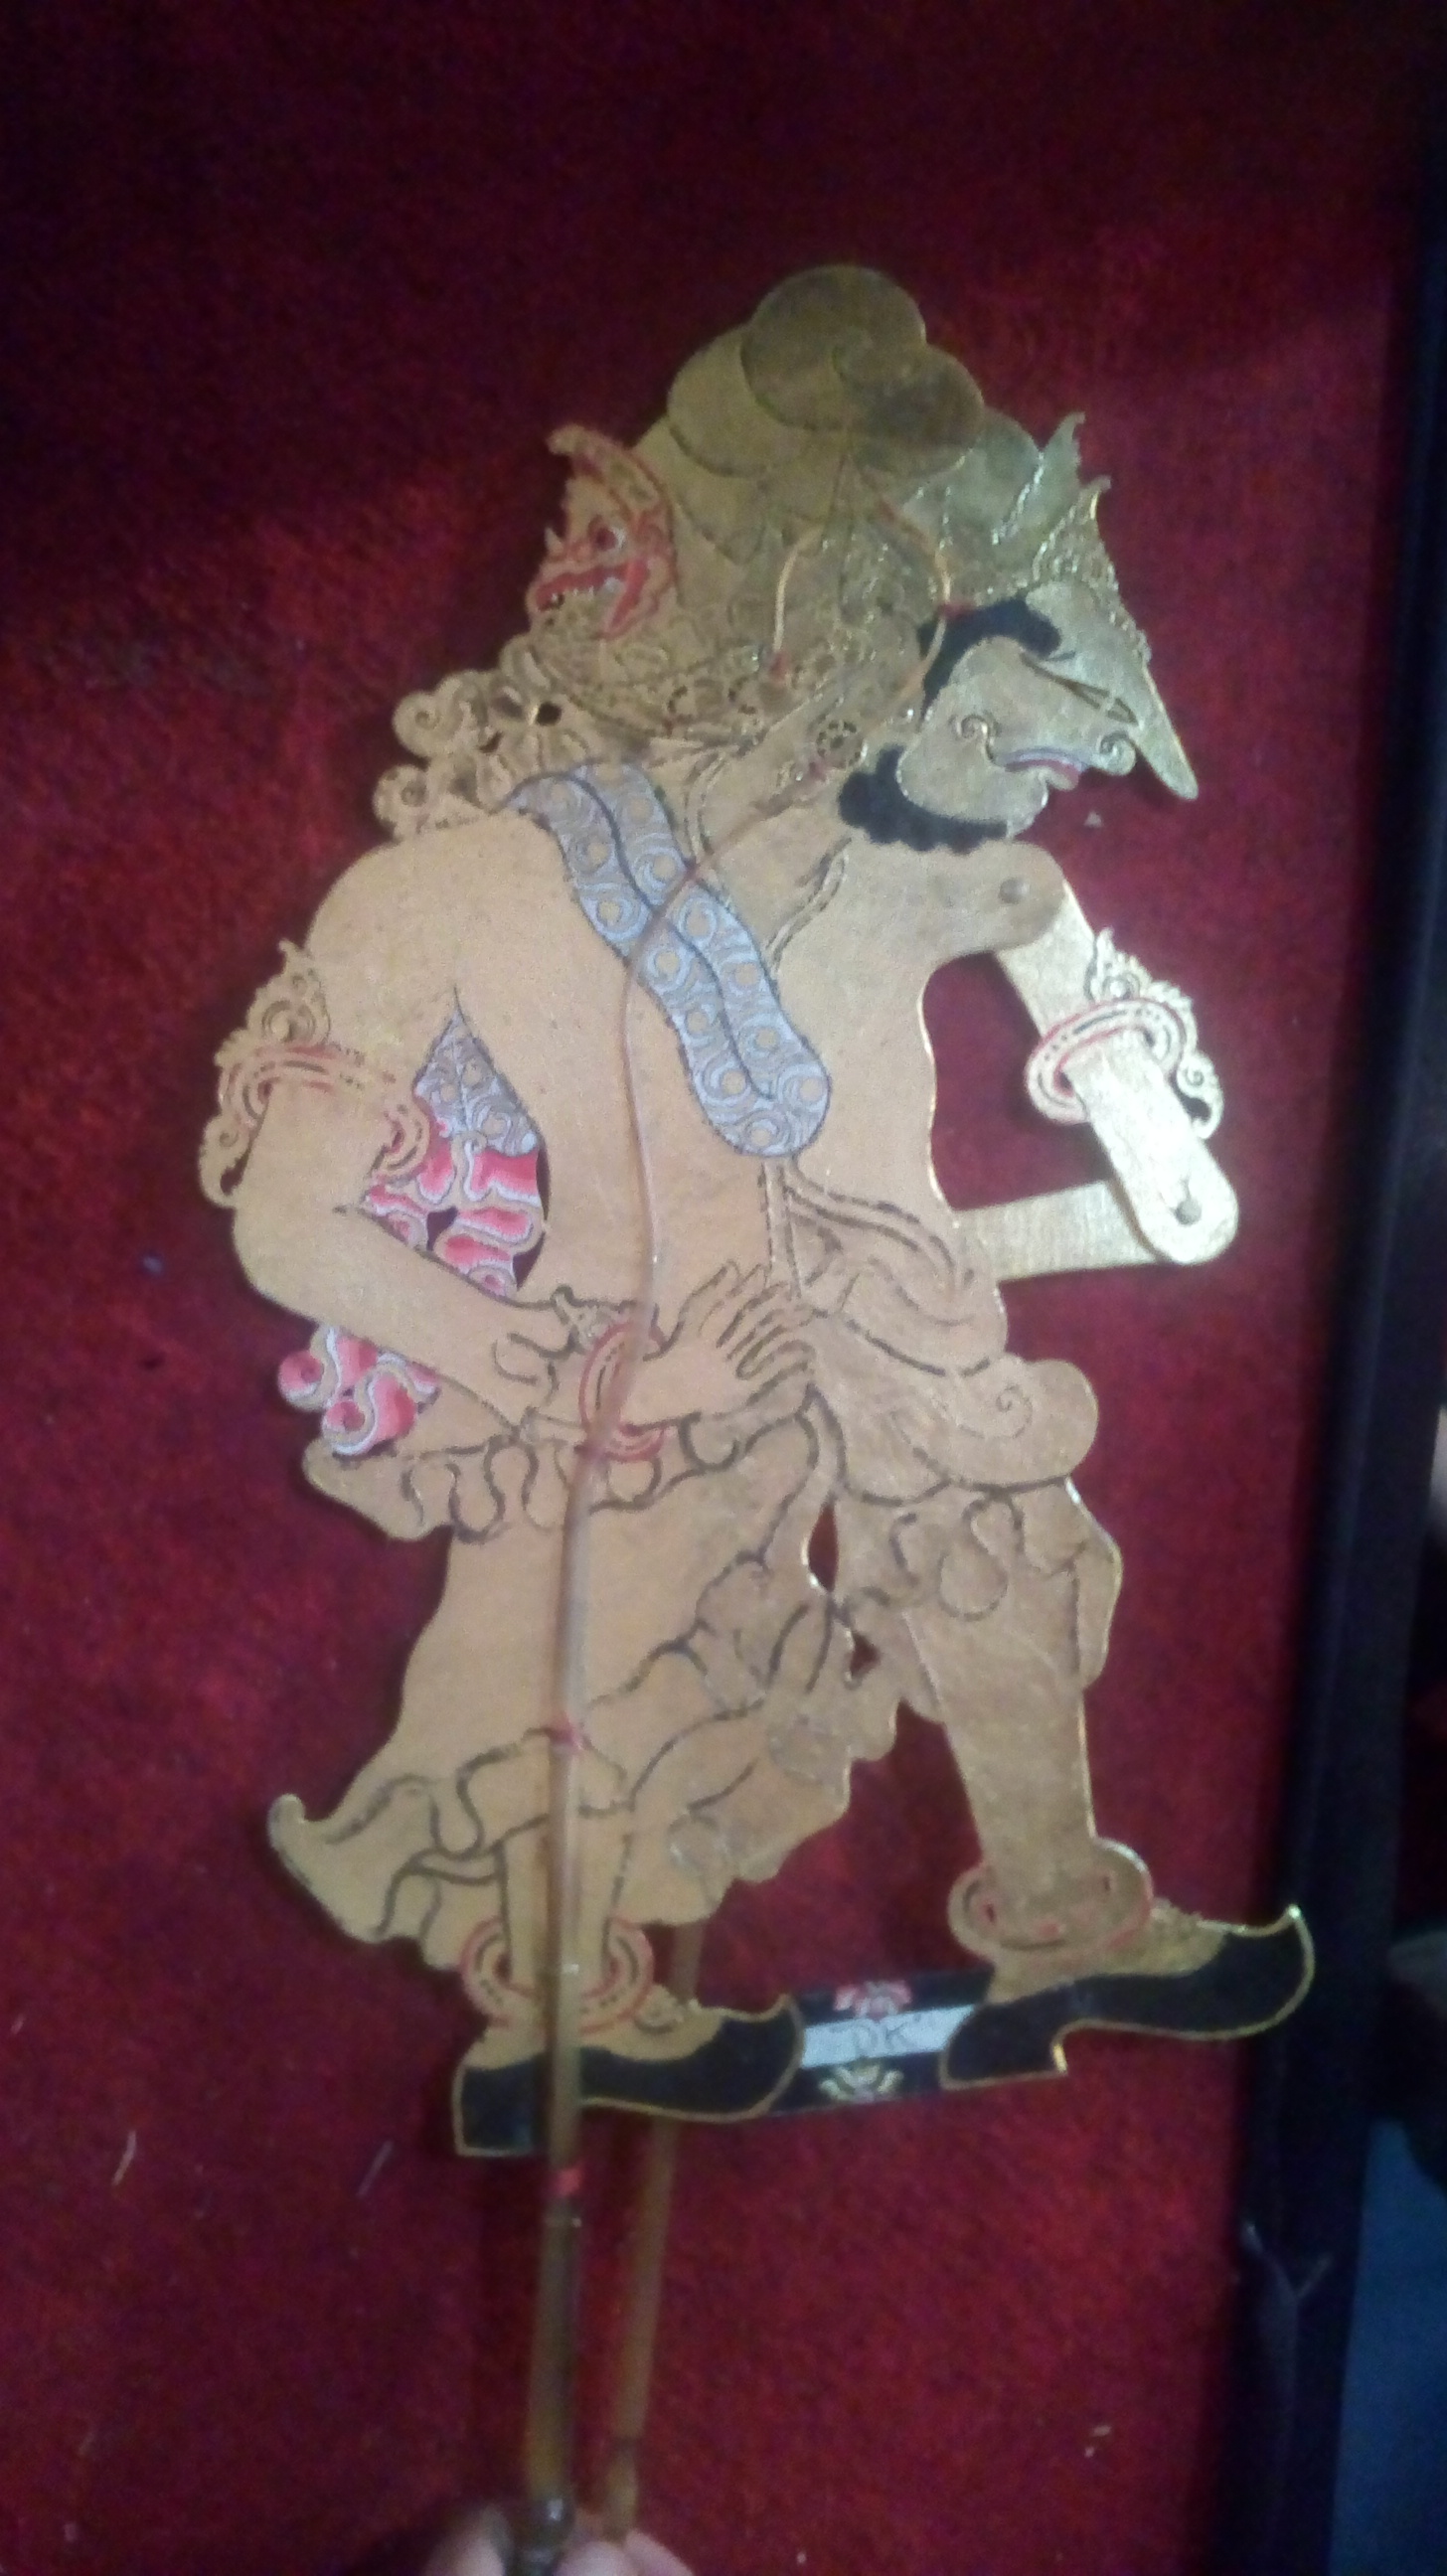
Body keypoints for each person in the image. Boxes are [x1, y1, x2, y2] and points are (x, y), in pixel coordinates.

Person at [204, 269, 1308, 2144]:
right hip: (627, 1373)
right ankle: (567, 1998)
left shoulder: (953, 878)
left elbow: (1184, 1211)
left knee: (985, 1515)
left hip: (886, 1340)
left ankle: (1057, 1903)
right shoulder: (452, 891)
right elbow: (287, 1222)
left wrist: (933, 1263)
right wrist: (579, 1375)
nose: (840, 722)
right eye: (840, 654)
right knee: (615, 1633)